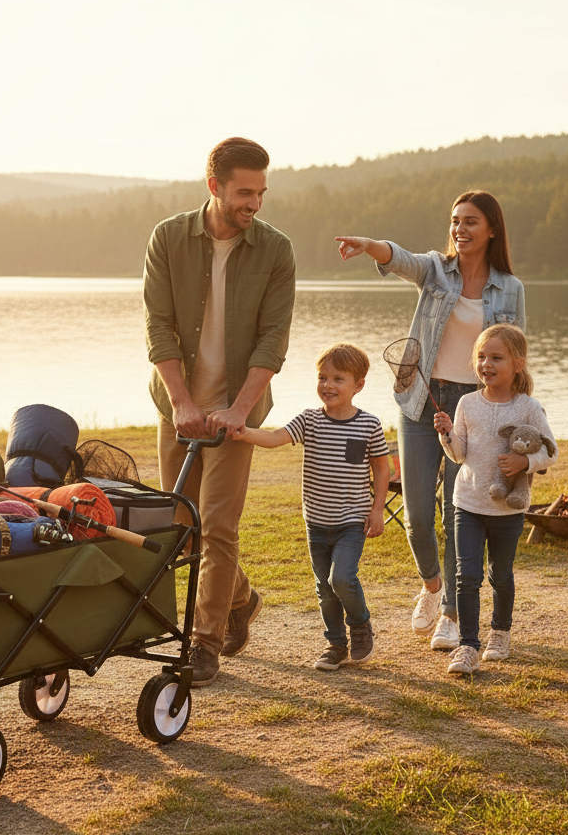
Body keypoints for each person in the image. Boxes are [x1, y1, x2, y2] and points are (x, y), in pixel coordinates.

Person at [334, 191, 524, 653]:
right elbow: (401, 259)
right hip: (422, 399)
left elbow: (516, 354)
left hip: (474, 409)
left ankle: (452, 614)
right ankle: (432, 585)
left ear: (492, 230)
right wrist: (370, 244)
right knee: (418, 516)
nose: (460, 228)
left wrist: (513, 416)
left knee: (460, 514)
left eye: (471, 221)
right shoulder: (437, 270)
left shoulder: (510, 288)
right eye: (455, 220)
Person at [143, 137, 296, 687]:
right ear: (215, 186)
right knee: (184, 528)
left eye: (261, 193)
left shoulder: (275, 250)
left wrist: (239, 409)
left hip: (238, 412)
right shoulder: (168, 238)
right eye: (244, 192)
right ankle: (242, 597)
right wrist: (182, 402)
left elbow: (273, 338)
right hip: (177, 407)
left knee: (219, 527)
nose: (254, 203)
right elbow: (159, 325)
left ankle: (204, 643)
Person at [232, 343, 389, 670]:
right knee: (324, 588)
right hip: (316, 522)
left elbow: (381, 468)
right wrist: (244, 432)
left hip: (351, 521)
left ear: (358, 385)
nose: (328, 385)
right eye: (322, 377)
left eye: (338, 379)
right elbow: (275, 438)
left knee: (341, 578)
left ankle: (360, 624)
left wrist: (377, 510)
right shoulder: (310, 420)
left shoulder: (369, 425)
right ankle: (335, 645)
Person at [433, 325, 557, 673]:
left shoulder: (529, 408)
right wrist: (447, 435)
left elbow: (551, 452)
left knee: (500, 574)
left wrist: (524, 463)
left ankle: (500, 632)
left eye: (496, 358)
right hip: (468, 504)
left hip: (507, 510)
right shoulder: (467, 403)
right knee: (466, 576)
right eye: (481, 357)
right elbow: (459, 455)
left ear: (517, 365)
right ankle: (468, 646)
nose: (486, 364)